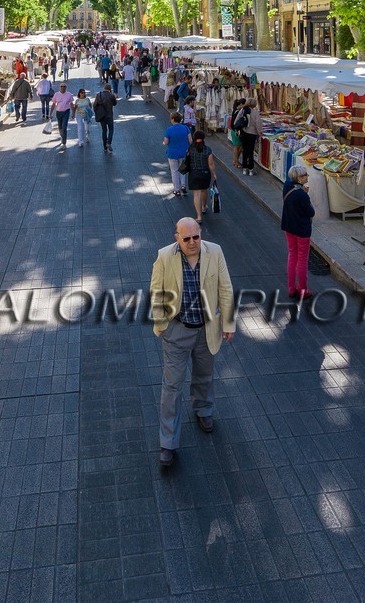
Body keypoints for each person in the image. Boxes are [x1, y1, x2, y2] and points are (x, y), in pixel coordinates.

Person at [150, 217, 235, 471]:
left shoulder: (215, 252)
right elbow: (156, 290)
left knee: (204, 375)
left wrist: (228, 323)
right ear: (176, 237)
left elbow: (226, 288)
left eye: (195, 237)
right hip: (176, 330)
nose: (191, 242)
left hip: (206, 329)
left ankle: (203, 409)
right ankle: (168, 442)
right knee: (172, 386)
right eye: (185, 238)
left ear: (200, 234)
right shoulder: (164, 256)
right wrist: (161, 321)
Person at [281, 166, 316, 300]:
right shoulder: (301, 195)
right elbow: (311, 212)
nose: (307, 177)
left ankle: (291, 288)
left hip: (289, 227)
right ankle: (303, 289)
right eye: (305, 175)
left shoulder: (287, 186)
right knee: (302, 259)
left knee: (292, 256)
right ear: (299, 178)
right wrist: (305, 194)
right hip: (302, 230)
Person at [182, 130, 216, 223]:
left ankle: (199, 216)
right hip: (205, 173)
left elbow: (187, 160)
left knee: (196, 194)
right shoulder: (208, 149)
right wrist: (214, 174)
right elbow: (211, 163)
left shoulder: (190, 149)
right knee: (204, 190)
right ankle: (204, 207)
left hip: (193, 173)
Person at [163, 112, 191, 196]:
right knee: (182, 169)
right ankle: (183, 185)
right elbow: (190, 141)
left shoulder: (169, 129)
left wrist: (164, 143)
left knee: (174, 171)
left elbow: (166, 141)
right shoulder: (185, 128)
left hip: (172, 153)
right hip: (183, 152)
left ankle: (177, 189)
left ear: (173, 119)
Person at [232, 99, 260, 174]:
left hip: (244, 133)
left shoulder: (242, 110)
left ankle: (244, 169)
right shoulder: (255, 112)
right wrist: (259, 132)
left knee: (245, 150)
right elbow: (258, 124)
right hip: (252, 134)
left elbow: (236, 121)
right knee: (250, 151)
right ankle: (251, 169)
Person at [93, 81, 117, 153]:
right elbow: (115, 104)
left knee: (104, 130)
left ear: (104, 88)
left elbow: (94, 105)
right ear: (110, 89)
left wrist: (97, 112)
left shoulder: (99, 95)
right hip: (109, 115)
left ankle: (104, 147)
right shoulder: (111, 95)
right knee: (111, 129)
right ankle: (109, 143)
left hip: (102, 116)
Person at [52, 82, 75, 150]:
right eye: (61, 86)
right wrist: (50, 114)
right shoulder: (56, 94)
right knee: (60, 127)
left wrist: (73, 113)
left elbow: (71, 104)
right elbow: (53, 104)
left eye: (64, 86)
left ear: (66, 87)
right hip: (58, 112)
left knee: (64, 127)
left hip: (66, 112)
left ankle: (64, 142)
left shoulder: (69, 95)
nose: (63, 87)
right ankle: (62, 137)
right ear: (60, 87)